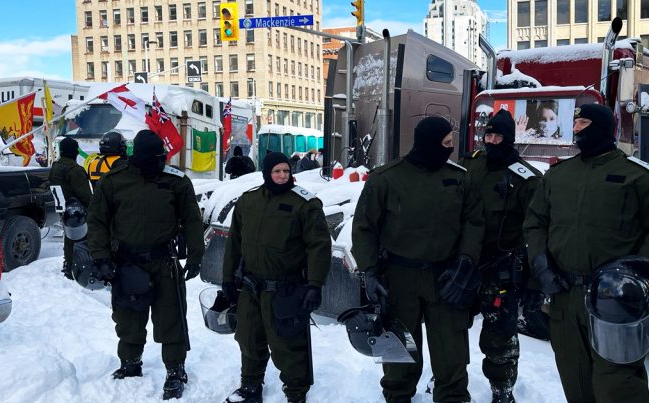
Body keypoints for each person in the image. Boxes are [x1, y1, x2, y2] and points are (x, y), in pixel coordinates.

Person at [523, 103, 649, 403]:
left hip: (616, 302)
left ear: (602, 128)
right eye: (575, 124)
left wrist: (638, 272)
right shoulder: (558, 176)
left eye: (583, 123)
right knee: (576, 383)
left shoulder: (638, 176)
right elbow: (535, 222)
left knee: (619, 387)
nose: (576, 129)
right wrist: (541, 263)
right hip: (565, 298)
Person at [352, 116, 485, 403]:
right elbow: (364, 228)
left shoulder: (460, 178)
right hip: (399, 277)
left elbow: (474, 223)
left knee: (452, 351)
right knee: (399, 351)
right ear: (429, 143)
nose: (451, 148)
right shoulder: (386, 178)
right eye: (446, 143)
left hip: (446, 276)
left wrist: (466, 262)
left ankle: (452, 397)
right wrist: (369, 271)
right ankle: (397, 396)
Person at [87, 130, 205, 400]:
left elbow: (191, 220)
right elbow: (97, 221)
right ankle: (130, 362)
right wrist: (101, 257)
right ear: (137, 157)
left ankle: (175, 369)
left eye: (162, 158)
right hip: (127, 261)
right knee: (128, 316)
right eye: (154, 159)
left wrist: (196, 255)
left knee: (171, 318)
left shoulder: (176, 181)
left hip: (164, 261)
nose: (159, 163)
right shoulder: (114, 181)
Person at [221, 151, 331, 403]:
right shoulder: (248, 200)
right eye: (277, 171)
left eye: (286, 171)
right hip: (251, 287)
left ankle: (295, 393)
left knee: (287, 345)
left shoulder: (305, 204)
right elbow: (234, 242)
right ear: (266, 173)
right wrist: (228, 278)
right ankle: (250, 387)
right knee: (249, 338)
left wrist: (314, 284)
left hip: (286, 289)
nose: (282, 176)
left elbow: (319, 246)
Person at [459, 109, 541, 403]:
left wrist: (534, 278)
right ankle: (450, 378)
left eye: (498, 136)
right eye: (488, 135)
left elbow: (537, 231)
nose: (491, 141)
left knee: (499, 335)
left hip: (501, 269)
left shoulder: (526, 179)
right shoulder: (470, 165)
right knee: (452, 326)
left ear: (509, 139)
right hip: (465, 264)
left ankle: (502, 390)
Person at [50, 137, 92, 280]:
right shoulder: (75, 170)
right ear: (73, 152)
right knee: (81, 239)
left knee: (69, 238)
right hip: (77, 210)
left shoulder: (55, 167)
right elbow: (85, 195)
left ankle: (69, 265)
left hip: (63, 207)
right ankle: (77, 267)